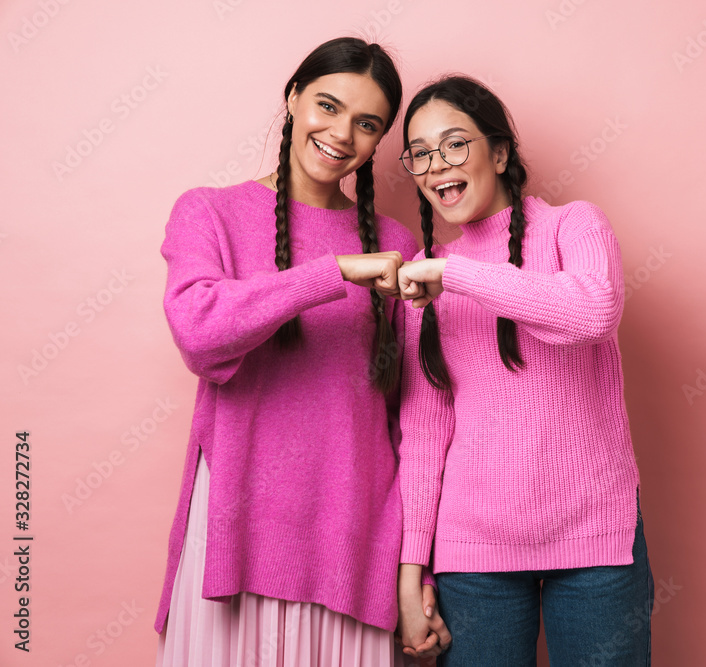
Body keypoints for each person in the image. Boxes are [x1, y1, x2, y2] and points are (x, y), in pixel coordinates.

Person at [153, 37, 448, 666]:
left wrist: (414, 577)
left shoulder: (398, 249)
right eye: (327, 105)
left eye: (367, 124)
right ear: (293, 98)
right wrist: (331, 272)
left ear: (379, 141)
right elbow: (200, 334)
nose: (342, 134)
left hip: (355, 543)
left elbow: (416, 425)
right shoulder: (210, 212)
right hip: (237, 533)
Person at [393, 75, 653, 665]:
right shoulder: (424, 278)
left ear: (501, 152)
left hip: (596, 541)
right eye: (421, 154)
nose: (437, 166)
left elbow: (591, 311)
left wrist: (455, 275)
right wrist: (415, 575)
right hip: (473, 554)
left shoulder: (574, 226)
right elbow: (425, 435)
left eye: (455, 143)